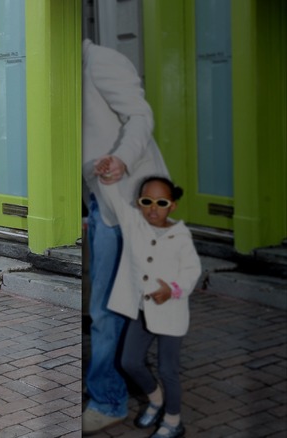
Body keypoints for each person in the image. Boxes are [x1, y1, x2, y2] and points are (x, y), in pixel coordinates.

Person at [81, 38, 170, 435]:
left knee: (147, 303)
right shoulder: (54, 73)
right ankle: (110, 396)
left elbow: (139, 116)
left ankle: (150, 388)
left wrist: (123, 158)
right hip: (102, 206)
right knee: (103, 308)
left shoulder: (101, 60)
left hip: (135, 202)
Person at [94, 160, 201, 438]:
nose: (153, 208)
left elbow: (193, 272)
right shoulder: (133, 224)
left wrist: (173, 289)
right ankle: (156, 400)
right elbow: (113, 199)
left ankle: (174, 421)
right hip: (142, 310)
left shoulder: (181, 236)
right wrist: (107, 175)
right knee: (129, 361)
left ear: (172, 205)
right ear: (139, 203)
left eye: (161, 202)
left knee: (168, 370)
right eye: (147, 201)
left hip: (171, 312)